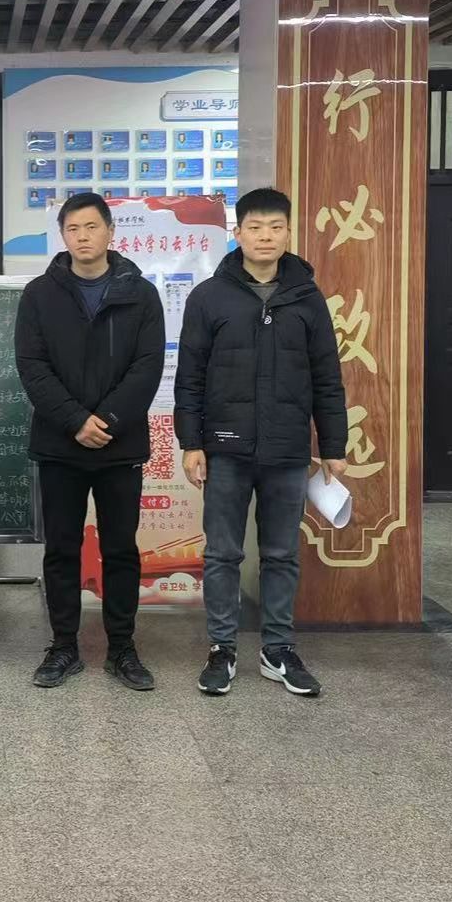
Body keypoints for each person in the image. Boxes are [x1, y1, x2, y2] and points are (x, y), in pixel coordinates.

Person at [175, 187, 348, 700]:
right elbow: (190, 376)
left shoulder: (308, 298)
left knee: (280, 553)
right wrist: (191, 441)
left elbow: (327, 377)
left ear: (289, 233)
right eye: (255, 227)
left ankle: (277, 649)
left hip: (287, 450)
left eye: (275, 227)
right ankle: (221, 649)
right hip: (225, 448)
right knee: (222, 553)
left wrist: (333, 445)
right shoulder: (209, 296)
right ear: (238, 233)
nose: (265, 236)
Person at [15, 193, 165, 692]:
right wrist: (76, 420)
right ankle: (63, 646)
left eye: (91, 227)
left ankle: (122, 647)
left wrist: (109, 419)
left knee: (121, 549)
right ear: (63, 236)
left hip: (121, 446)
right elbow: (32, 367)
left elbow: (148, 366)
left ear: (110, 232)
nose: (83, 236)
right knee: (61, 548)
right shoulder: (40, 294)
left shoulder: (140, 293)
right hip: (60, 444)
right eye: (73, 229)